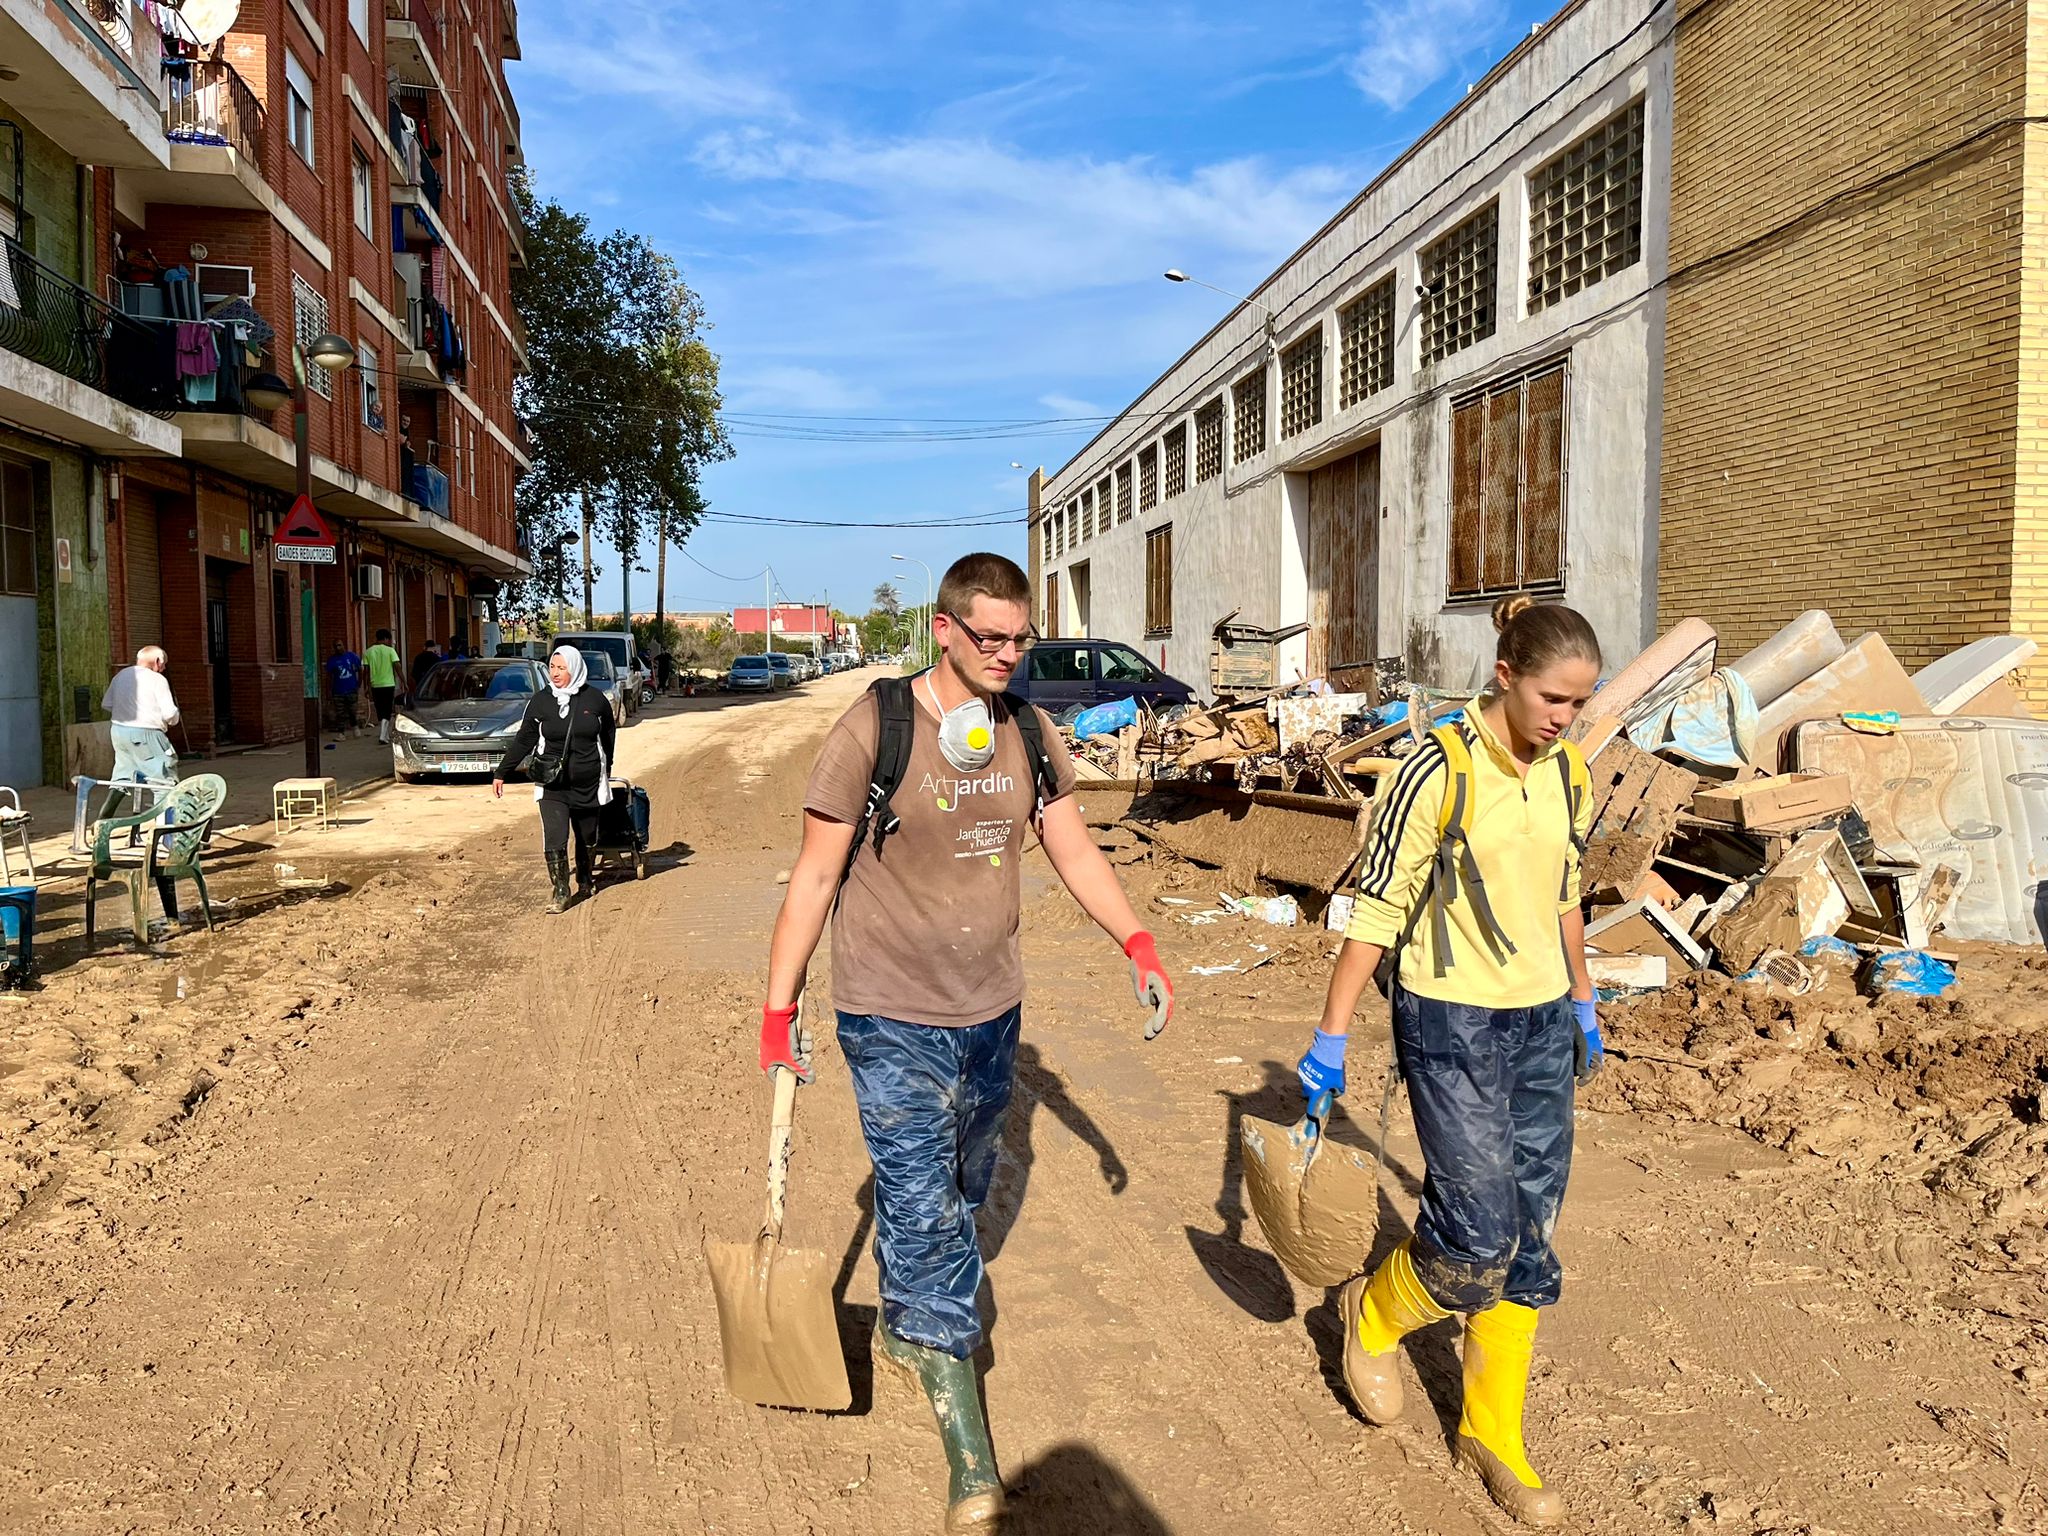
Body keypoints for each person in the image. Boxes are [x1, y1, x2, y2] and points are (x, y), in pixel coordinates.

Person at [761, 551, 1174, 1532]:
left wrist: (1139, 941)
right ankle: (969, 1456)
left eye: (1016, 638)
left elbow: (1070, 843)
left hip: (993, 1013)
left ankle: (908, 1328)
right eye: (985, 637)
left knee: (961, 1190)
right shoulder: (876, 726)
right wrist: (776, 1015)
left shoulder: (1028, 730)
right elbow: (814, 879)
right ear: (942, 629)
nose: (1003, 654)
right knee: (929, 1216)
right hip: (887, 1015)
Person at [1296, 593, 1602, 1528]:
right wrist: (1332, 1032)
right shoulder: (1438, 769)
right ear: (1504, 676)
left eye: (1579, 704)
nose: (1564, 719)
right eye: (1552, 699)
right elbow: (1380, 907)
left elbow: (1564, 890)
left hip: (1542, 1019)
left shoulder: (1568, 774)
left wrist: (1584, 998)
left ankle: (1490, 1432)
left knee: (1531, 1241)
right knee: (1475, 1240)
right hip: (1452, 1021)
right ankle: (1372, 1314)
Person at [492, 644, 617, 913]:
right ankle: (561, 890)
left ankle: (585, 876)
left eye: (562, 668)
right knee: (555, 837)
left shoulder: (595, 700)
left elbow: (608, 737)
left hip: (588, 783)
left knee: (586, 837)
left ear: (574, 668)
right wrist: (502, 772)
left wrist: (606, 769)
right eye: (552, 667)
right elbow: (525, 738)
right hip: (552, 784)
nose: (556, 673)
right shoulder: (541, 701)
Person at [103, 645, 180, 796]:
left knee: (122, 776)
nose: (163, 668)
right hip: (147, 734)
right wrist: (173, 719)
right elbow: (169, 714)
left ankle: (105, 815)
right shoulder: (157, 679)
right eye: (164, 665)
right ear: (158, 661)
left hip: (118, 731)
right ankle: (165, 818)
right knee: (164, 781)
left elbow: (107, 704)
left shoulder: (121, 675)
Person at [363, 629, 402, 745]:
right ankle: (383, 735)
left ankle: (384, 734)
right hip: (388, 684)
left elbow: (365, 671)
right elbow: (397, 666)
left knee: (380, 709)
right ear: (386, 639)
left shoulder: (368, 651)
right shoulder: (390, 651)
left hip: (375, 685)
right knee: (387, 709)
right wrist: (403, 681)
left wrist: (366, 686)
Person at [323, 642, 362, 733]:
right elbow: (328, 677)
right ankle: (341, 732)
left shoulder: (351, 656)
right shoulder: (332, 660)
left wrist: (359, 683)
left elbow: (360, 670)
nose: (338, 648)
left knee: (352, 710)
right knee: (340, 712)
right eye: (336, 646)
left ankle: (354, 725)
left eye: (340, 645)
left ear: (343, 645)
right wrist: (328, 690)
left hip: (351, 688)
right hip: (338, 690)